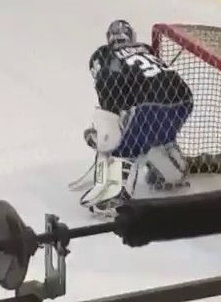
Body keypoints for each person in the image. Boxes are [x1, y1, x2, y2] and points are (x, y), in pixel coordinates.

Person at [79, 20, 194, 218]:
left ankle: (118, 197)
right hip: (184, 100)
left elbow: (109, 85)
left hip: (152, 107)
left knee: (123, 148)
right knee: (155, 138)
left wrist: (104, 132)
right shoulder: (145, 49)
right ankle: (173, 170)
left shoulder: (105, 55)